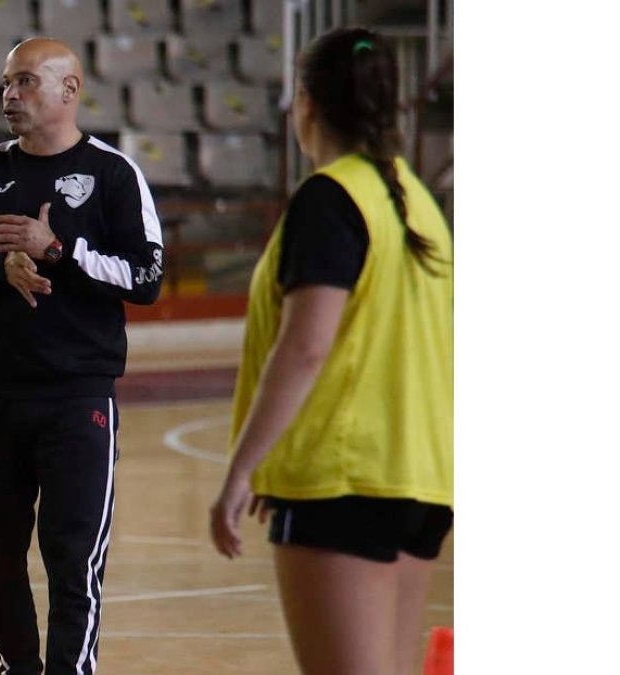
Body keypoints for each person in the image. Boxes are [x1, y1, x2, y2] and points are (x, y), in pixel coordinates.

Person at [209, 27, 453, 675]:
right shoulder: (420, 205)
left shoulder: (330, 198)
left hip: (342, 480)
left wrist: (243, 467)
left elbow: (307, 344)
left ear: (306, 105)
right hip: (421, 479)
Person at [0, 37, 164, 675]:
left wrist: (59, 250)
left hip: (77, 400)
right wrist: (1, 267)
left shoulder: (115, 174)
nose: (10, 96)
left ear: (69, 90)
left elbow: (146, 278)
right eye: (7, 83)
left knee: (72, 557)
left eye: (26, 82)